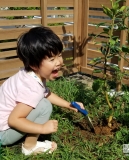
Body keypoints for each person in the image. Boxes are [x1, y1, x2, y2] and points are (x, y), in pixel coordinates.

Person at [0, 26, 84, 155]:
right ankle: (29, 147)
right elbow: (14, 120)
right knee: (44, 106)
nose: (59, 62)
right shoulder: (32, 89)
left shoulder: (30, 75)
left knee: (43, 101)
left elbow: (46, 93)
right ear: (34, 64)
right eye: (51, 59)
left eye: (59, 55)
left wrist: (68, 105)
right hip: (3, 134)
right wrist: (42, 128)